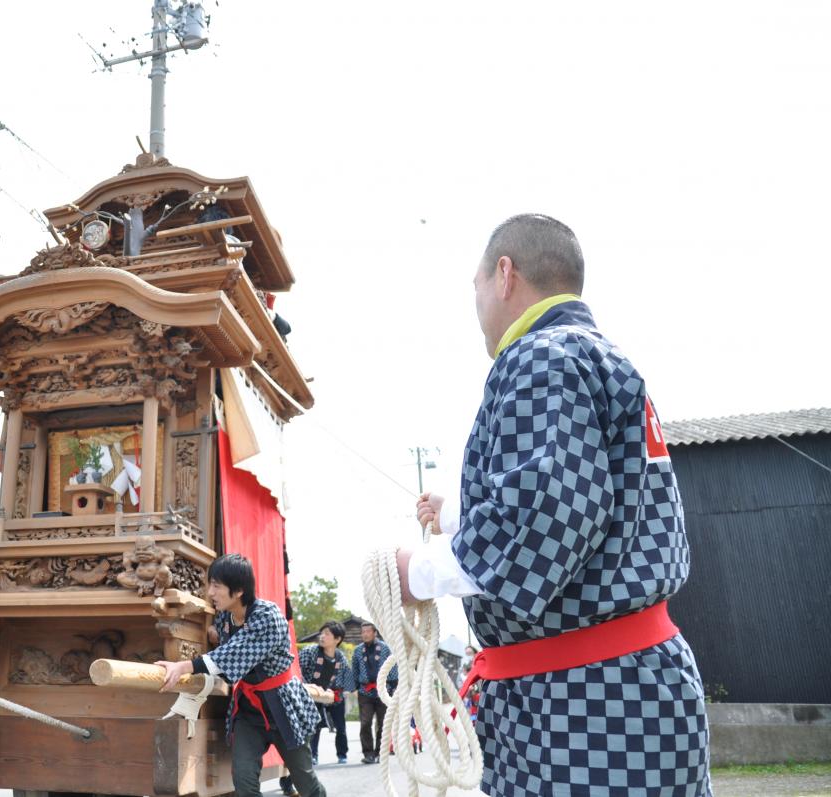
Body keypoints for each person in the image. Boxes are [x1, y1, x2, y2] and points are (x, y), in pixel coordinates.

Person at [396, 214, 711, 796]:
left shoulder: (541, 356)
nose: (476, 307)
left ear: (504, 275)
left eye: (476, 286)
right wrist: (459, 514)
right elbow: (597, 504)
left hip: (586, 706)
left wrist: (417, 572)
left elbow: (551, 511)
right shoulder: (600, 358)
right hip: (624, 683)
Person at [157, 553, 325, 797]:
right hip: (249, 711)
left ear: (238, 591)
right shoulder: (226, 615)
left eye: (216, 586)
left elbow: (234, 652)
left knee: (306, 783)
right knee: (244, 781)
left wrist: (184, 666)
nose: (210, 592)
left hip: (283, 707)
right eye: (210, 584)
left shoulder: (269, 616)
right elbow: (226, 644)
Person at [298, 621, 353, 765]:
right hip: (312, 695)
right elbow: (298, 674)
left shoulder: (341, 658)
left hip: (333, 695)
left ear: (337, 639)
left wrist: (339, 692)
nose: (322, 636)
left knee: (341, 727)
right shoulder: (309, 652)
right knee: (314, 726)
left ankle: (342, 754)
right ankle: (313, 755)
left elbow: (347, 679)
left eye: (327, 634)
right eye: (321, 633)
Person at [350, 621, 397, 764]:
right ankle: (368, 753)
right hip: (365, 691)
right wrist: (355, 688)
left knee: (383, 723)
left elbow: (393, 668)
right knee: (365, 723)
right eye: (362, 632)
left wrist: (394, 687)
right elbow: (355, 670)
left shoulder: (385, 648)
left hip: (383, 690)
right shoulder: (358, 650)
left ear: (374, 633)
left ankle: (380, 753)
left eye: (367, 631)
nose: (365, 634)